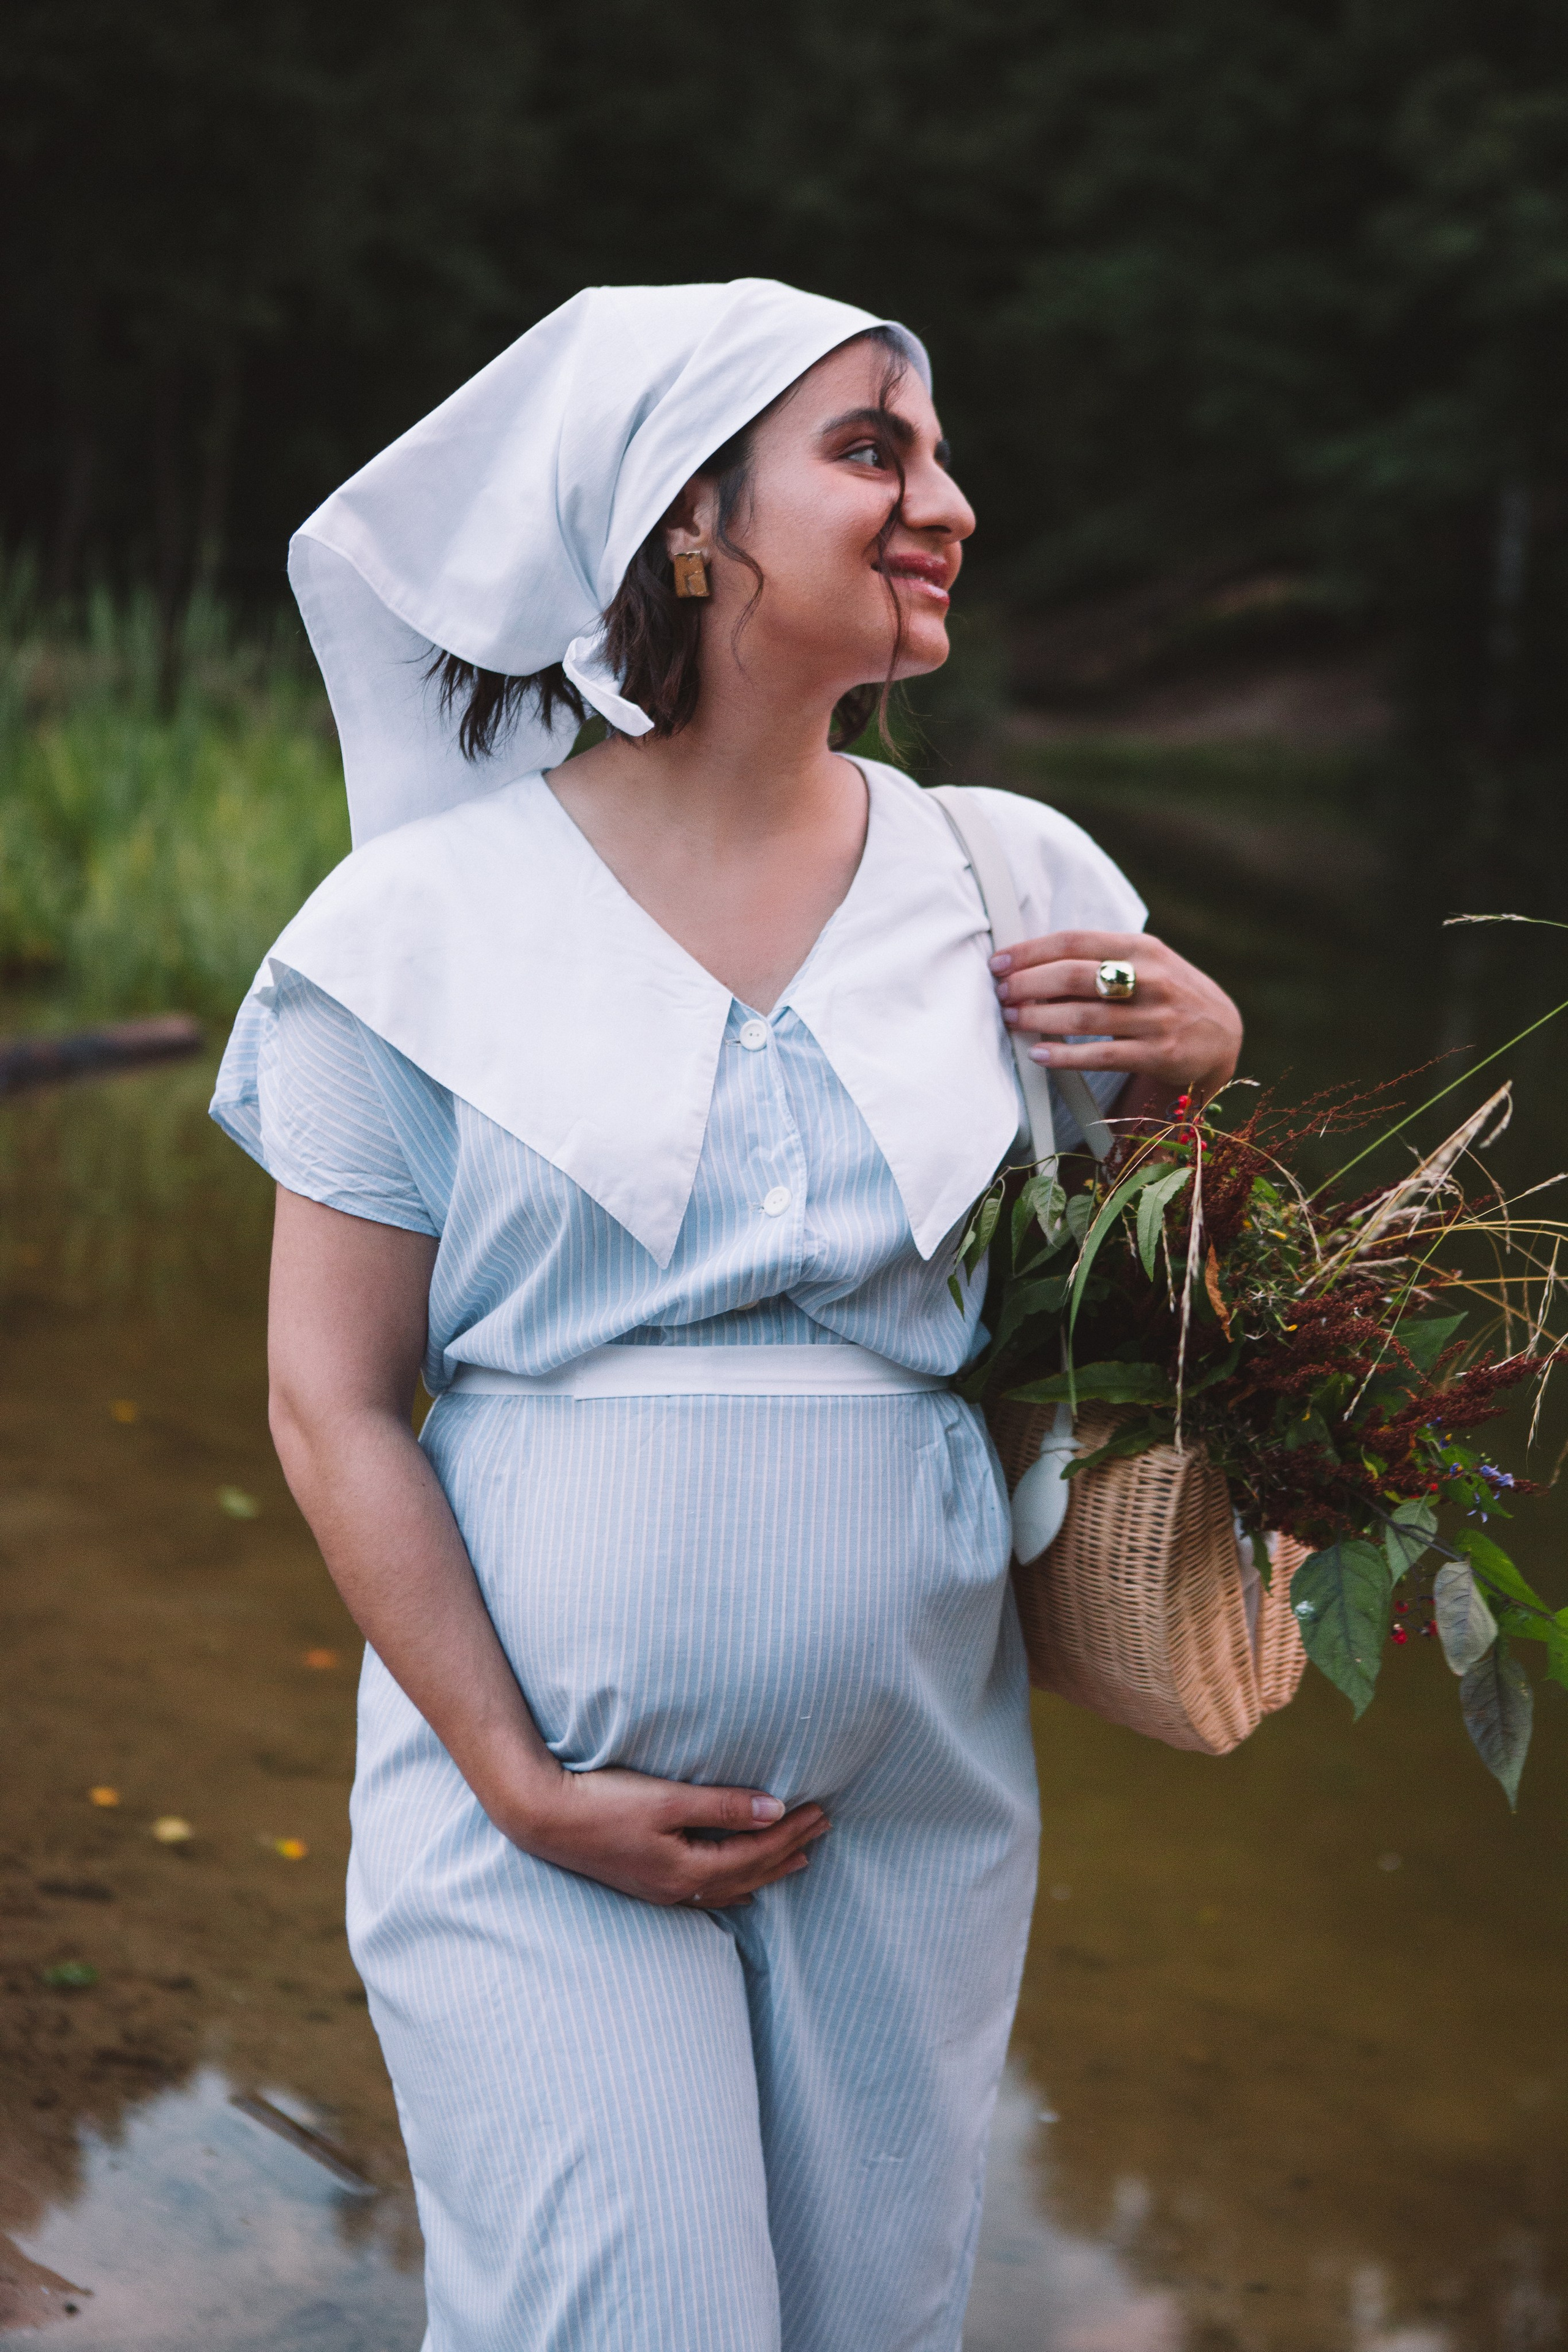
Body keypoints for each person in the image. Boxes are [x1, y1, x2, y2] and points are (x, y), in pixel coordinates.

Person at [212, 278, 1240, 2352]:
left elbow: (1139, 1347)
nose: (947, 502)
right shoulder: (414, 928)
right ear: (690, 521)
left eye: (936, 454)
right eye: (873, 450)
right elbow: (333, 1403)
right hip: (537, 1815)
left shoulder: (1013, 882)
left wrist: (1197, 1096)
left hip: (915, 1799)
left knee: (869, 2323)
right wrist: (513, 1780)